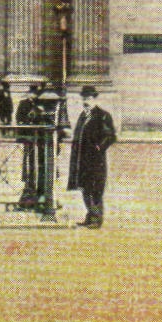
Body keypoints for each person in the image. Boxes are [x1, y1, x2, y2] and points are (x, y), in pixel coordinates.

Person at [66, 85, 116, 228]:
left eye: (88, 98)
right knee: (85, 187)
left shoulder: (103, 115)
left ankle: (97, 218)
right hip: (82, 159)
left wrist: (99, 147)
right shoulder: (83, 116)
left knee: (96, 188)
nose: (85, 101)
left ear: (94, 99)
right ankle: (90, 215)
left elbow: (110, 136)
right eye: (84, 98)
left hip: (96, 160)